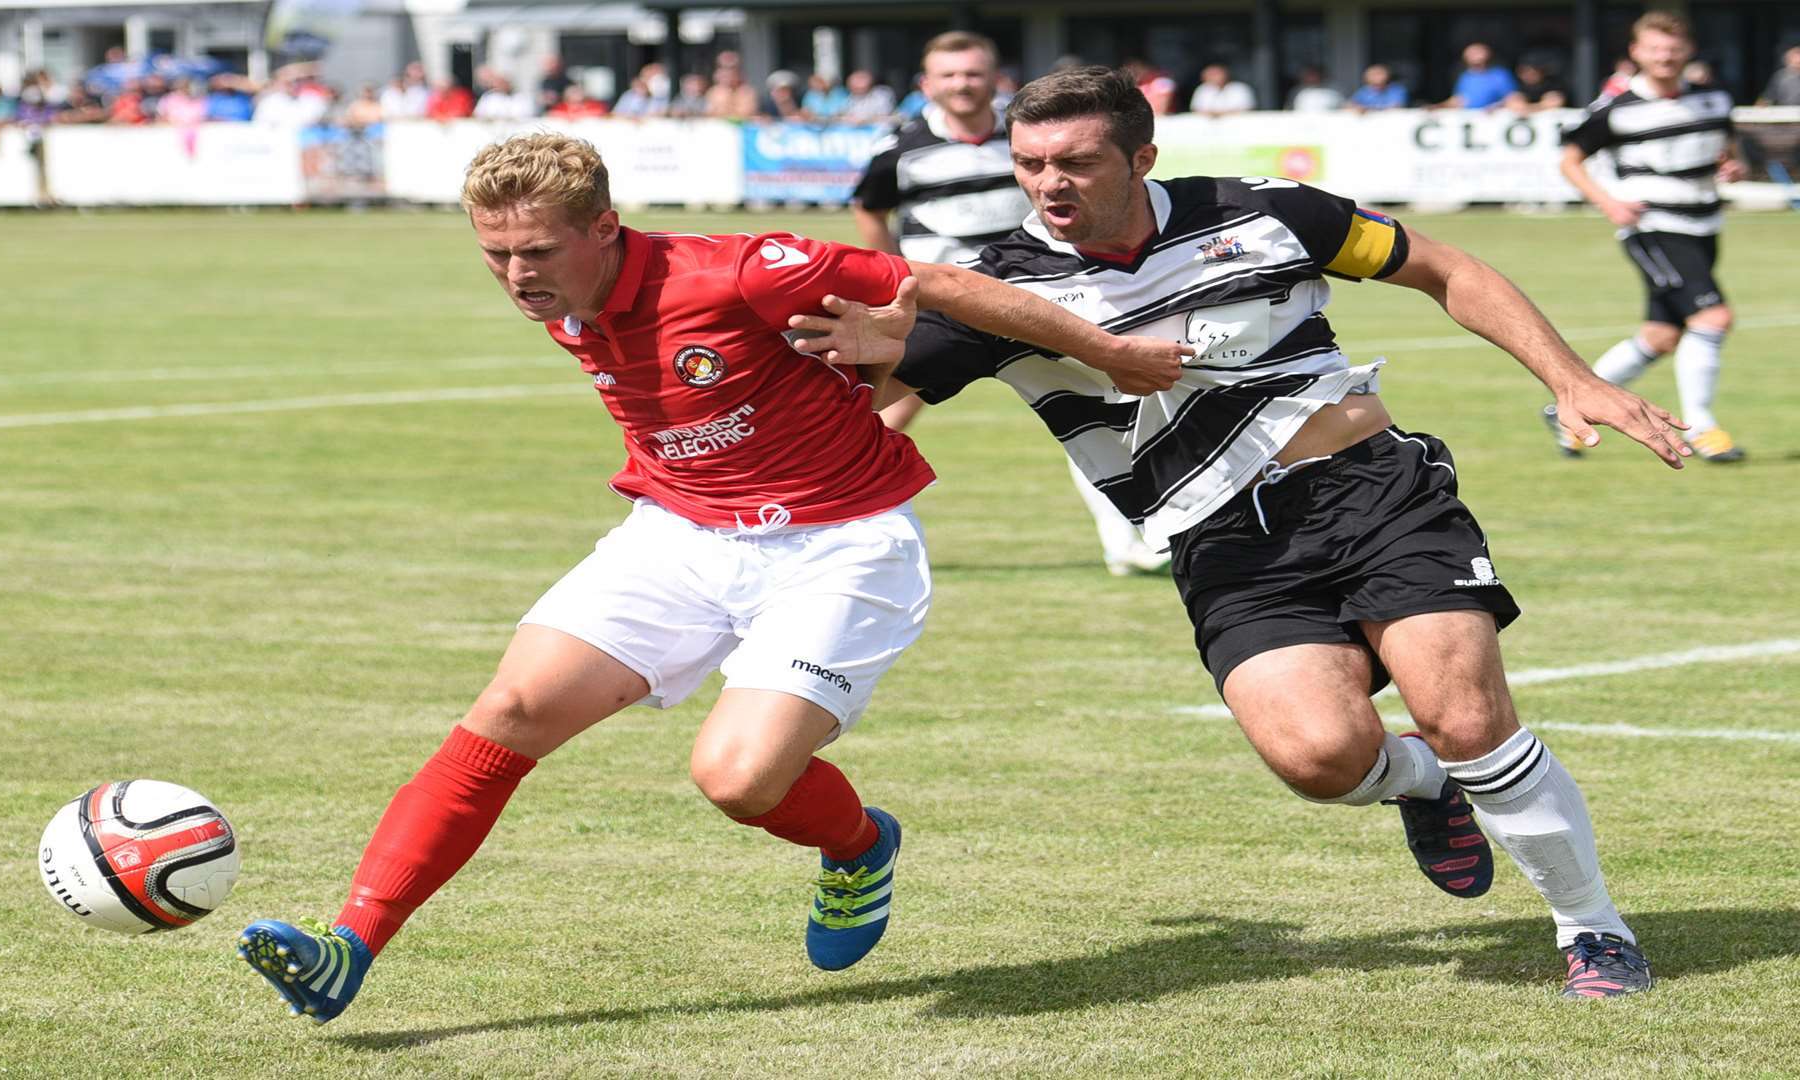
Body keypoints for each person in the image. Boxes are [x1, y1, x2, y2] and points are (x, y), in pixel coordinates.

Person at [232, 130, 1185, 1025]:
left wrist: (1105, 352)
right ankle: (347, 946)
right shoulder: (570, 298)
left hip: (838, 545)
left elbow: (937, 279)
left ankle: (859, 847)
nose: (518, 276)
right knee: (508, 711)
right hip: (677, 536)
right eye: (496, 254)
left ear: (605, 228)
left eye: (537, 252)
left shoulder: (741, 269)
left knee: (737, 779)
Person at [792, 65, 1691, 1000]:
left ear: (1142, 155)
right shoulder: (997, 291)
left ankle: (1593, 931)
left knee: (1464, 714)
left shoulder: (1267, 212)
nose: (1050, 183)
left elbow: (1445, 268)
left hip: (1371, 491)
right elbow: (869, 397)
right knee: (1321, 760)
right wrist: (844, 364)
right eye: (1029, 164)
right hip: (1225, 545)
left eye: (1077, 161)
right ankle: (1427, 784)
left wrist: (1571, 377)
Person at [852, 32, 1166, 577]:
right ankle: (831, 519)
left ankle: (1131, 542)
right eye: (949, 75)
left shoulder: (1030, 135)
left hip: (1041, 297)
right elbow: (869, 209)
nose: (961, 85)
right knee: (877, 410)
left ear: (993, 78)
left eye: (972, 73)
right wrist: (890, 281)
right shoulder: (898, 149)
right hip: (946, 309)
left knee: (1098, 411)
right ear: (927, 84)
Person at [1558, 11, 1747, 463]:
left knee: (1662, 336)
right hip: (1654, 227)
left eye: (1674, 48)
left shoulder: (1714, 98)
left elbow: (1727, 145)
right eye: (1656, 48)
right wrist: (1608, 202)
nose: (1666, 56)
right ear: (1637, 52)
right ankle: (1701, 428)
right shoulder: (1619, 109)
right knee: (1712, 318)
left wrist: (1731, 165)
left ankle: (1564, 410)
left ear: (1688, 52)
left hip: (1704, 225)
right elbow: (1569, 160)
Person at [1441, 43, 1517, 110]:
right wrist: (1438, 107)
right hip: (1469, 118)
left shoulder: (1499, 75)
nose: (1475, 57)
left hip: (1493, 118)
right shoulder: (1465, 77)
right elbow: (1459, 99)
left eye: (1477, 53)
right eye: (1471, 54)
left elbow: (1513, 98)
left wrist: (1497, 106)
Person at [1189, 63, 1255, 116]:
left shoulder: (1239, 88)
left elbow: (1247, 108)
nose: (1214, 78)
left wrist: (1220, 114)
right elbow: (1196, 109)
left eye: (1216, 74)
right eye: (1210, 75)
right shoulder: (1202, 89)